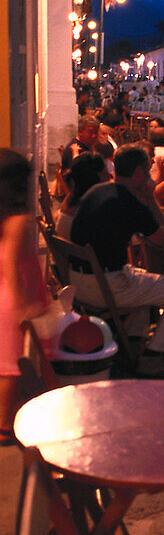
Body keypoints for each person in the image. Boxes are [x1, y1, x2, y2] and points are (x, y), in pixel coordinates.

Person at [70, 144, 164, 378]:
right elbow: (163, 237)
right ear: (139, 173)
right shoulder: (127, 202)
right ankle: (154, 357)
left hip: (78, 283)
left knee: (141, 276)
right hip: (105, 286)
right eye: (148, 171)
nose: (149, 176)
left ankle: (132, 343)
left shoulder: (96, 191)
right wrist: (150, 198)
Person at [0, 150, 49, 442]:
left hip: (5, 295)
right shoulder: (18, 218)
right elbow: (11, 264)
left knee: (8, 364)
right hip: (11, 298)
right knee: (11, 366)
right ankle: (5, 426)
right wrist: (20, 304)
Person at [56, 153, 107, 239]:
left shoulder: (72, 198)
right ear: (99, 176)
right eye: (106, 171)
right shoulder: (91, 213)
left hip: (69, 250)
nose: (109, 175)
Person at [61, 115, 99, 182]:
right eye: (90, 132)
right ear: (80, 131)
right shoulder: (76, 150)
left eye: (96, 133)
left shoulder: (87, 146)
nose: (94, 136)